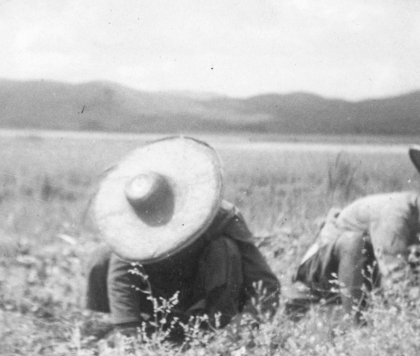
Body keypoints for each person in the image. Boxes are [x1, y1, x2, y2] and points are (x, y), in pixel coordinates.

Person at [86, 136, 280, 340]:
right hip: (156, 296)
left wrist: (244, 328)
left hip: (205, 297)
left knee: (225, 249)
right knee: (103, 255)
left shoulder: (222, 217)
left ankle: (213, 327)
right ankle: (111, 326)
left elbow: (264, 283)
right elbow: (121, 277)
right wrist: (128, 330)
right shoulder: (130, 228)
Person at [289, 146, 420, 319]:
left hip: (362, 277)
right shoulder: (396, 214)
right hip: (321, 270)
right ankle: (354, 327)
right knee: (354, 241)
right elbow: (396, 279)